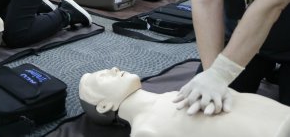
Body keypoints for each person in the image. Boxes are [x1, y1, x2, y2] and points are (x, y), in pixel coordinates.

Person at [79, 67, 290, 137]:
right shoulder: (144, 130)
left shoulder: (169, 94)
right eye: (103, 76)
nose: (114, 69)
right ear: (104, 105)